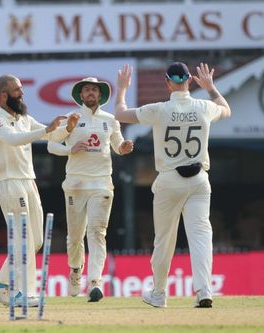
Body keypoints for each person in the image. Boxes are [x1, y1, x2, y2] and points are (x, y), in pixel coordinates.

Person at [114, 62, 231, 308]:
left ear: (167, 82)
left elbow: (120, 113)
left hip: (169, 179)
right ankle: (204, 291)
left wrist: (122, 89)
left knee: (164, 239)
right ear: (189, 80)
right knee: (200, 236)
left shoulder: (159, 109)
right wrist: (210, 88)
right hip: (199, 180)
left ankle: (158, 293)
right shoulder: (205, 106)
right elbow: (226, 109)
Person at [0, 74, 80, 307]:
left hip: (28, 180)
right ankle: (23, 292)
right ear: (4, 94)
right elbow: (14, 139)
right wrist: (45, 130)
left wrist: (67, 127)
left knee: (35, 239)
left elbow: (50, 134)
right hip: (9, 181)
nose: (22, 93)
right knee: (23, 238)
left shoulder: (24, 117)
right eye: (17, 90)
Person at [47, 77, 133, 302]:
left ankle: (95, 282)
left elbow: (117, 144)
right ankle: (76, 270)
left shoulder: (110, 120)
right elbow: (51, 144)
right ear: (81, 95)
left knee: (97, 233)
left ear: (100, 94)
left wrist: (123, 148)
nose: (91, 93)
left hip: (102, 183)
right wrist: (70, 147)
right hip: (75, 184)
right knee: (75, 237)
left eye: (94, 89)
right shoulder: (71, 118)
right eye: (87, 90)